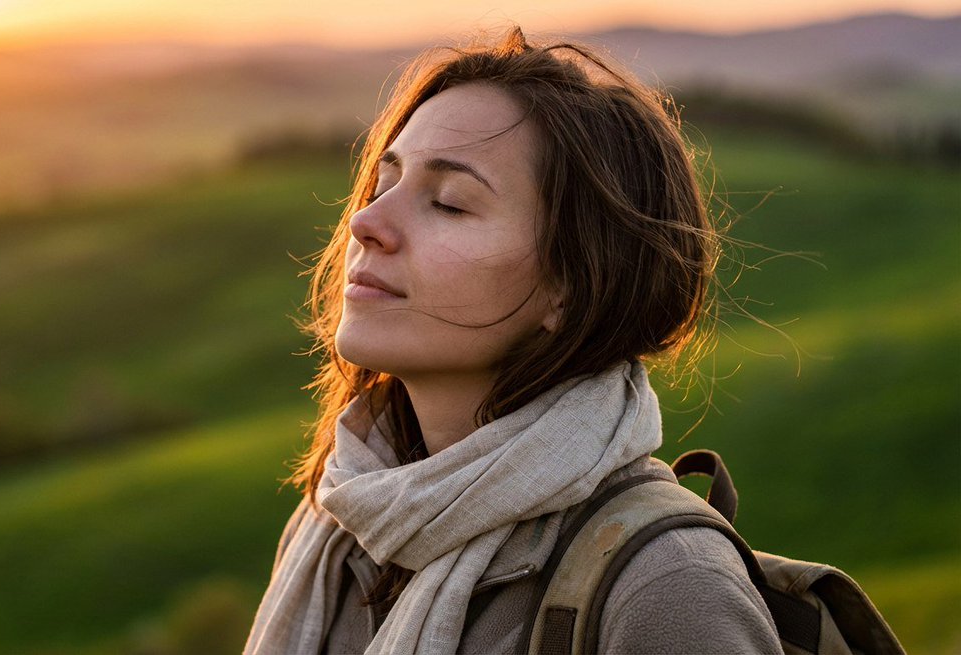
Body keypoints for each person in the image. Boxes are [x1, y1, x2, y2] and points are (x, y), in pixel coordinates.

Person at [245, 26, 783, 654]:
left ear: (573, 285)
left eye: (448, 203)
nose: (365, 223)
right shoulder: (337, 524)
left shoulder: (668, 590)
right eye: (384, 183)